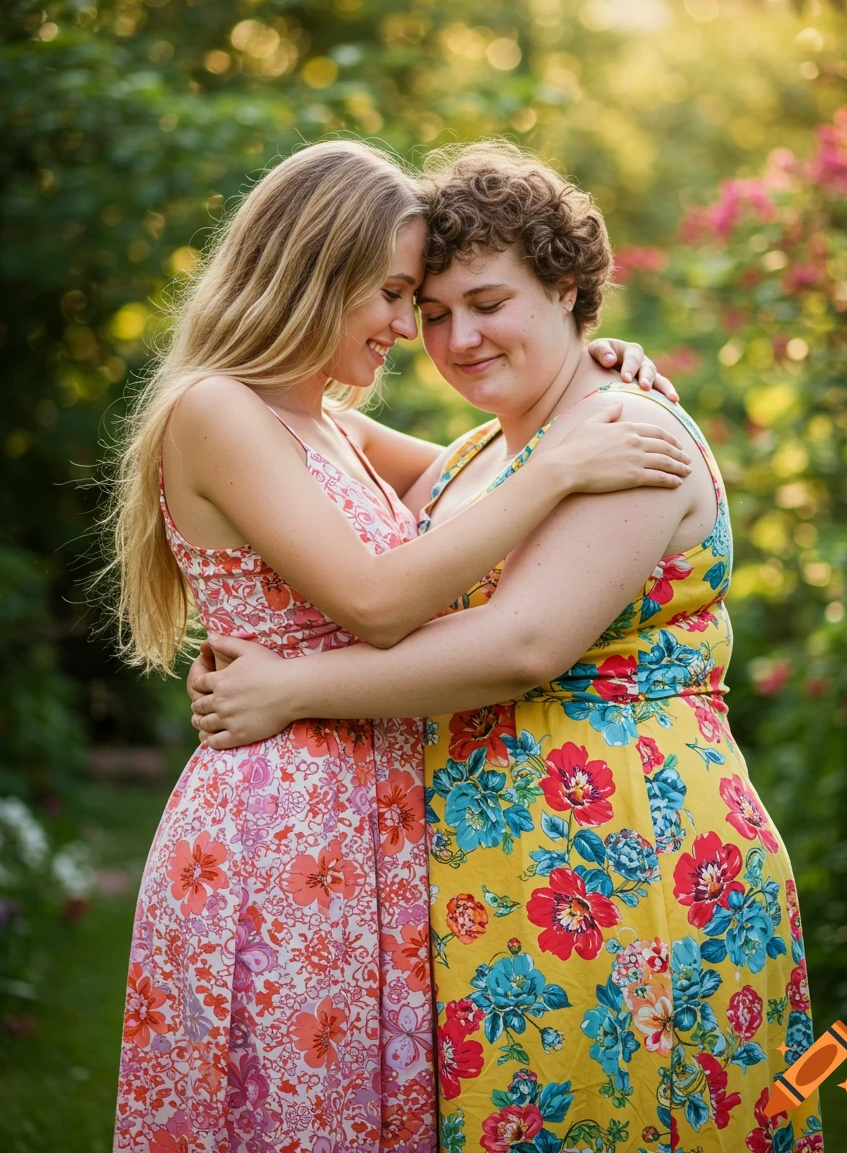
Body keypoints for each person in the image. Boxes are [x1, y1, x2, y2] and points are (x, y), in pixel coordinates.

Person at [189, 143, 823, 1153]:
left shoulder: (624, 436)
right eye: (430, 311)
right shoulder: (488, 452)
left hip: (629, 853)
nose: (453, 336)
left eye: (486, 301)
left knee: (631, 1115)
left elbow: (521, 642)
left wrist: (289, 685)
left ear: (567, 288)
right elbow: (310, 459)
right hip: (502, 871)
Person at [106, 137, 688, 1153]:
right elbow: (378, 599)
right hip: (279, 820)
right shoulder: (218, 410)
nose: (404, 328)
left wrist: (590, 373)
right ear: (310, 274)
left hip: (374, 810)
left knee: (371, 1107)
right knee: (294, 1110)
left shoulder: (330, 426)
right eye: (393, 297)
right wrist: (559, 468)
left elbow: (483, 472)